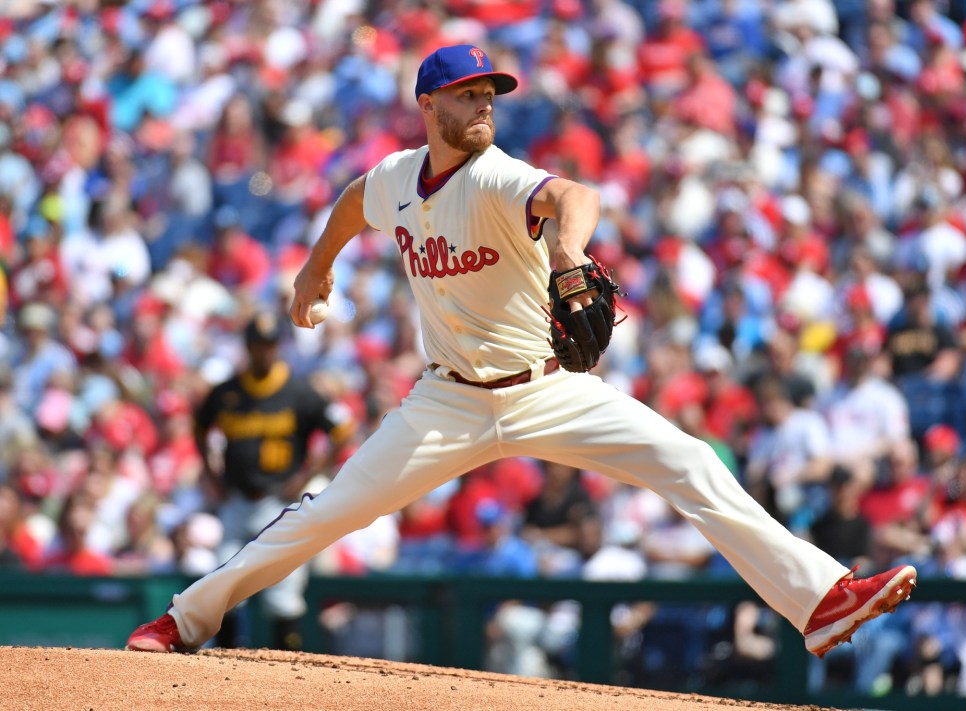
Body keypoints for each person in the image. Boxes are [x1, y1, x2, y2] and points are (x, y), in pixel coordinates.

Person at [126, 43, 916, 661]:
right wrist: (314, 267)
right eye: (467, 94)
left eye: (490, 94)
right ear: (428, 103)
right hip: (446, 401)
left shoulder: (499, 177)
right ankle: (185, 617)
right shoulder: (399, 178)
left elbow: (575, 194)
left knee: (692, 463)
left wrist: (569, 250)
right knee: (324, 512)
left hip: (546, 387)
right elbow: (350, 203)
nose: (483, 106)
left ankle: (821, 600)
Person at [190, 310, 357, 651]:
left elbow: (342, 429)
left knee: (283, 589)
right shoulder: (228, 391)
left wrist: (309, 473)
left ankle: (286, 669)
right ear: (247, 347)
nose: (263, 352)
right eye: (257, 345)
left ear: (277, 347)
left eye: (269, 345)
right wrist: (210, 472)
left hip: (280, 500)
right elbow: (200, 425)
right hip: (237, 500)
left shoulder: (299, 391)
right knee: (224, 584)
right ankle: (223, 662)